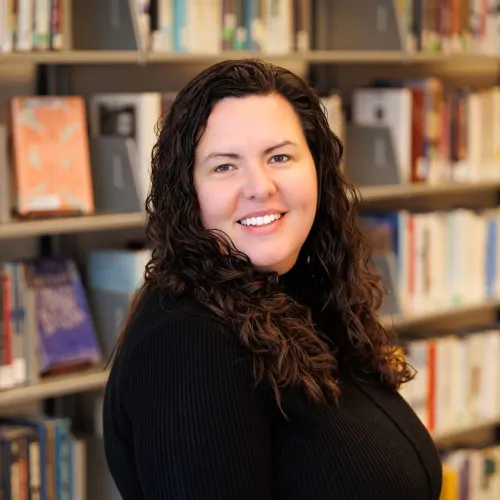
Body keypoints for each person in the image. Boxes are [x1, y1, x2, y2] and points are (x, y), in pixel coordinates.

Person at [102, 58, 443, 500]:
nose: (259, 187)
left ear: (317, 169)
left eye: (279, 156)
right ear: (188, 191)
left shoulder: (303, 293)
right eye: (225, 166)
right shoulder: (188, 342)